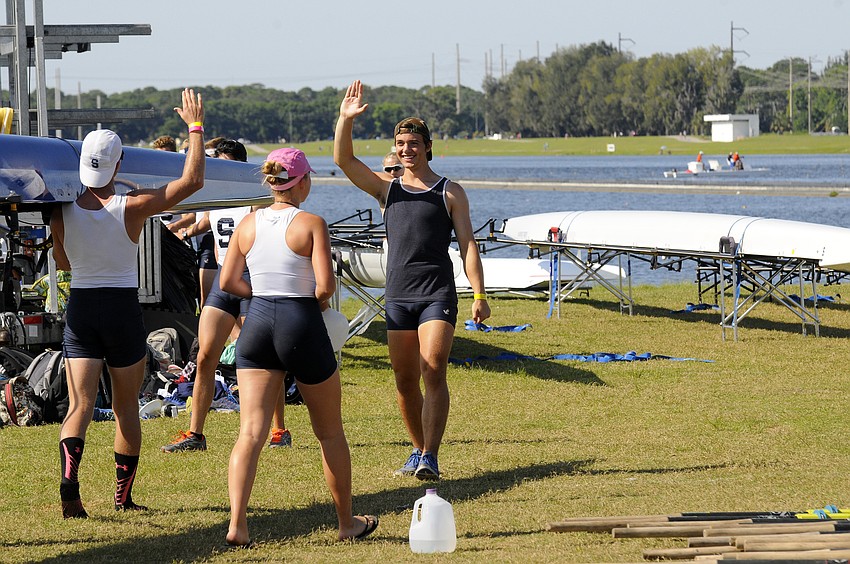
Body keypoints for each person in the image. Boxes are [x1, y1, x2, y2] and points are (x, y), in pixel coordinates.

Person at [51, 88, 205, 519]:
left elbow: (62, 262)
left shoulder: (60, 210)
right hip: (121, 309)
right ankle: (122, 498)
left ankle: (69, 482)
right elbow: (193, 182)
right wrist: (195, 128)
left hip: (81, 307)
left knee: (80, 405)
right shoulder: (132, 206)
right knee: (125, 409)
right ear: (119, 164)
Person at [220, 147, 378, 545]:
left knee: (250, 433)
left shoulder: (248, 224)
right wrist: (311, 307)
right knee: (329, 432)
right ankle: (346, 523)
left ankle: (237, 525)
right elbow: (325, 287)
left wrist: (261, 294)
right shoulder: (311, 223)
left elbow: (227, 284)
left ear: (271, 183)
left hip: (256, 323)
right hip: (300, 322)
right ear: (303, 181)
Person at [334, 80, 490, 480]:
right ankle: (418, 450)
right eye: (400, 144)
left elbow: (469, 244)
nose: (406, 150)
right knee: (404, 381)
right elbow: (344, 160)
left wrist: (479, 293)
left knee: (432, 368)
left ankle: (432, 456)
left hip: (436, 293)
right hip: (398, 296)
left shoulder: (449, 192)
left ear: (427, 148)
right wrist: (345, 119)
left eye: (413, 144)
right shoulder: (388, 190)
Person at [162, 139, 291, 453]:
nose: (218, 167)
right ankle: (196, 434)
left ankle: (278, 429)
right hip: (223, 278)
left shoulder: (256, 197)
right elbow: (198, 211)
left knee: (263, 356)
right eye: (215, 162)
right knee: (206, 355)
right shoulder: (215, 196)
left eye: (224, 162)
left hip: (251, 279)